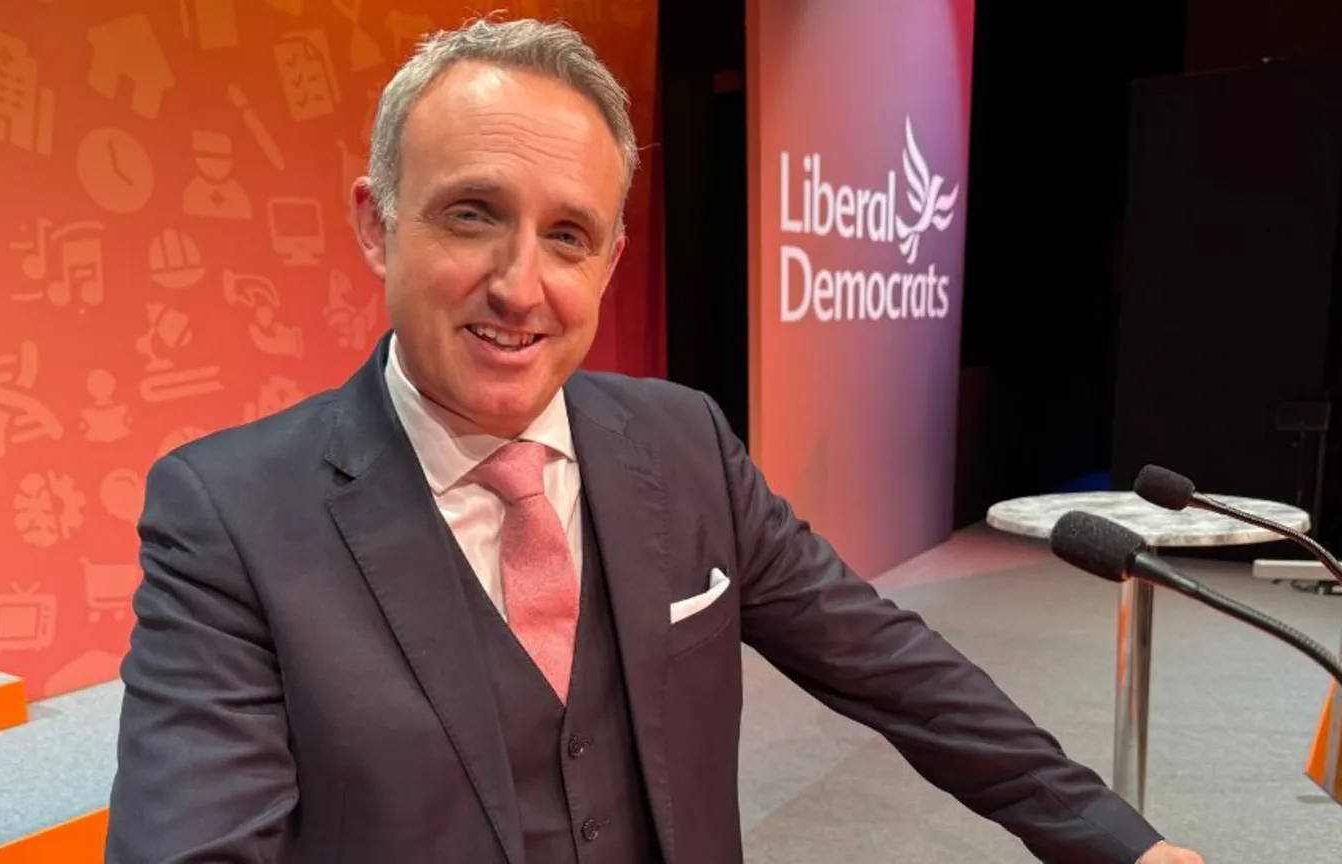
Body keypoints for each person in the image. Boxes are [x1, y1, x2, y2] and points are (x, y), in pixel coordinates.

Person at [106, 17, 1203, 864]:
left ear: (613, 255)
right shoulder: (230, 515)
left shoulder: (680, 442)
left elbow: (893, 668)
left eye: (568, 234)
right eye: (472, 213)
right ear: (376, 222)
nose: (520, 285)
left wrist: (1122, 841)